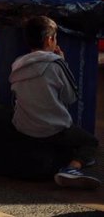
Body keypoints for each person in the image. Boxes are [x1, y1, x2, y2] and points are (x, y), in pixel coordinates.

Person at [10, 15, 100, 190]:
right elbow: (70, 97)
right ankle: (72, 169)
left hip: (23, 128)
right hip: (52, 130)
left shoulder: (17, 64)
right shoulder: (56, 64)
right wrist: (63, 62)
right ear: (50, 39)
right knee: (90, 142)